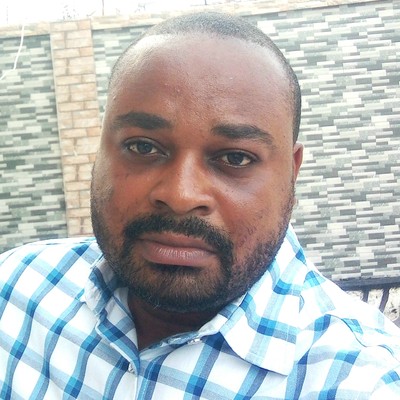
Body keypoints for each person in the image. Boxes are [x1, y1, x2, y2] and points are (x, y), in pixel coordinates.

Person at [0, 11, 399, 400]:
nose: (180, 195)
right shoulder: (16, 289)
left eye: (235, 158)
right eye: (143, 147)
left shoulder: (361, 381)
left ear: (291, 173)